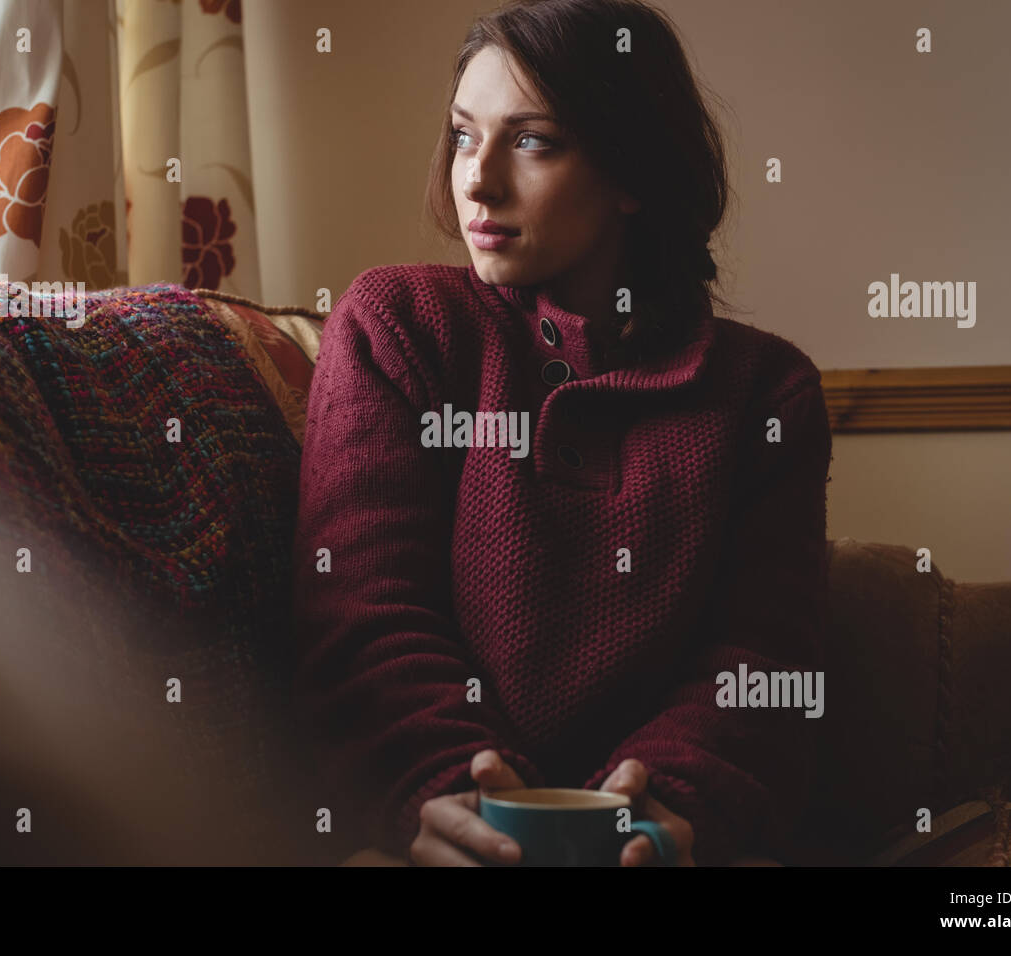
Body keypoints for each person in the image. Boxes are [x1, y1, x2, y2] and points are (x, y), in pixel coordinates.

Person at [290, 0, 832, 867]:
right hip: (436, 836)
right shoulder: (397, 324)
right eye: (465, 135)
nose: (478, 179)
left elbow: (761, 659)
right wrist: (457, 799)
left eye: (533, 140)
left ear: (632, 173)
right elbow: (364, 609)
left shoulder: (767, 392)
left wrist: (669, 804)